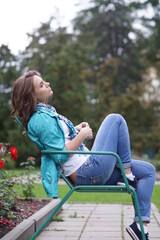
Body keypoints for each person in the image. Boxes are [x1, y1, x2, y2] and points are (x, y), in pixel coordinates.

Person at [11, 70, 155, 240]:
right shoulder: (41, 119)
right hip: (87, 171)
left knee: (148, 171)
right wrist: (83, 134)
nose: (47, 84)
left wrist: (76, 129)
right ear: (32, 96)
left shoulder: (45, 113)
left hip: (89, 168)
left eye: (44, 81)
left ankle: (140, 227)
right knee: (115, 119)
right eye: (41, 85)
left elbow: (60, 140)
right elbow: (61, 155)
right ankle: (128, 173)